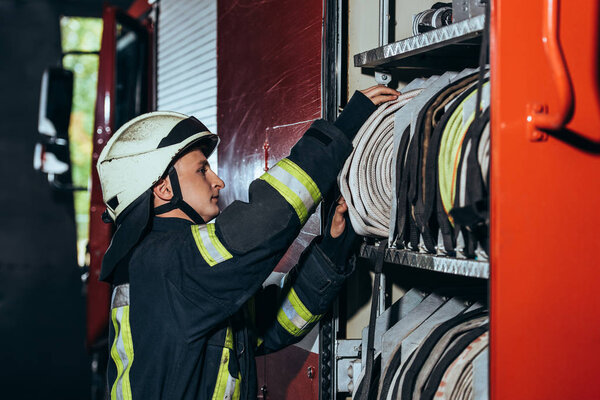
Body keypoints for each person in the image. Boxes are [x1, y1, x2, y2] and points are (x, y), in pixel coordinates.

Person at [97, 85, 400, 399]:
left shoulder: (167, 268)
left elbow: (271, 326)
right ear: (163, 189)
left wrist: (334, 248)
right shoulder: (163, 262)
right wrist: (341, 132)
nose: (218, 181)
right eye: (202, 170)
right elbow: (265, 220)